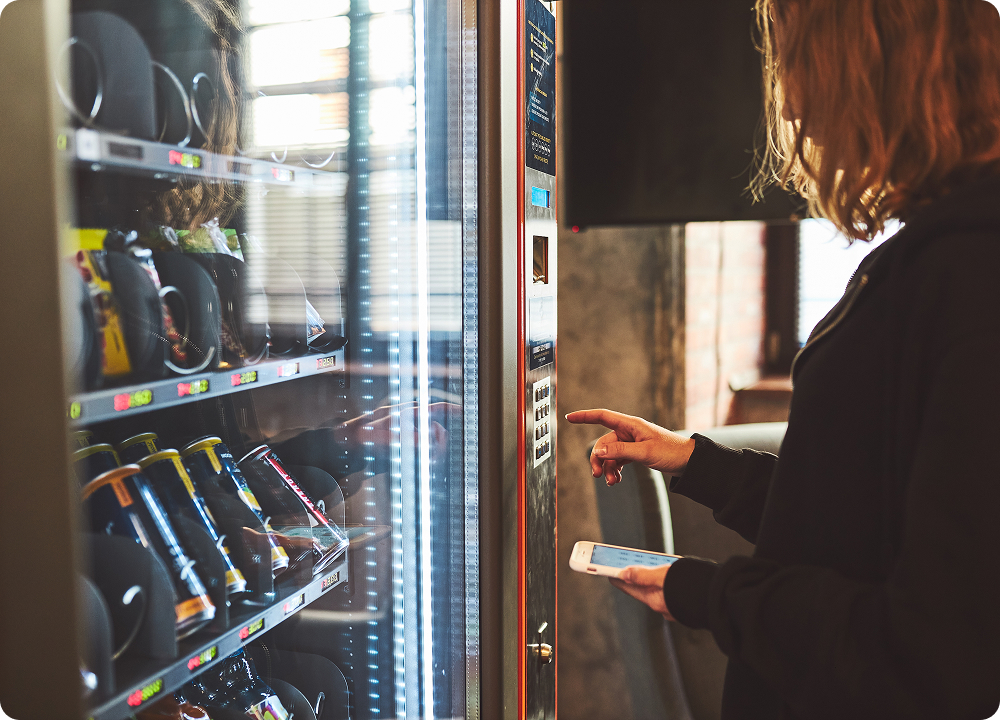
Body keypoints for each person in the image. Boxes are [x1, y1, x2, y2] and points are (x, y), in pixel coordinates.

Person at [567, 1, 1000, 718]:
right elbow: (855, 520)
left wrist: (710, 594)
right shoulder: (938, 257)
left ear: (874, 68)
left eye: (797, 58)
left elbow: (939, 655)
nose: (792, 105)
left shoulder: (972, 277)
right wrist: (695, 461)